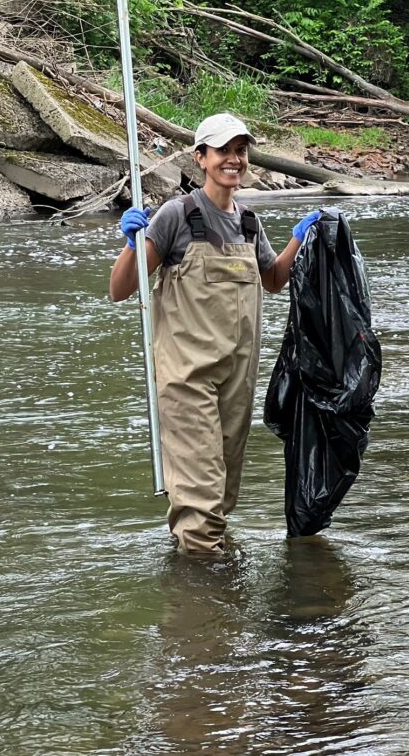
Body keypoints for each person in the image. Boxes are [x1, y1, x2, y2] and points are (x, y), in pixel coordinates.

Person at [109, 112, 319, 555]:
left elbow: (273, 279)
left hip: (235, 383)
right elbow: (121, 290)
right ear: (200, 158)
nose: (234, 160)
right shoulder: (175, 216)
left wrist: (300, 238)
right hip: (187, 381)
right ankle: (202, 609)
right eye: (224, 151)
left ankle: (202, 581)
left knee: (220, 499)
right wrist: (131, 246)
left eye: (241, 151)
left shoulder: (248, 222)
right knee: (202, 507)